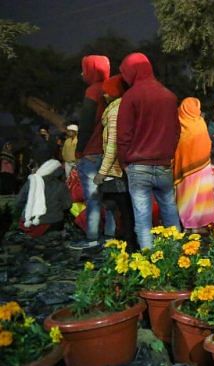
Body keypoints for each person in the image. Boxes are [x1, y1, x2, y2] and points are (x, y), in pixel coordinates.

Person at [117, 52, 181, 249]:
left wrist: (123, 163)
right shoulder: (169, 96)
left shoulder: (130, 97)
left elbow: (123, 135)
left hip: (137, 166)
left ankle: (148, 265)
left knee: (143, 221)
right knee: (170, 213)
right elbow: (177, 131)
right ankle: (177, 258)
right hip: (163, 165)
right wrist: (168, 154)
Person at [69, 55, 115, 250]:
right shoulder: (114, 89)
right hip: (111, 154)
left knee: (93, 198)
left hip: (92, 153)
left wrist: (79, 149)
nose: (82, 74)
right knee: (112, 198)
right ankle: (111, 237)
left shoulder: (93, 91)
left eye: (85, 69)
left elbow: (86, 124)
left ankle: (93, 238)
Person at [174, 97, 214, 229]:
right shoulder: (200, 123)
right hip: (203, 167)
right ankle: (201, 223)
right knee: (201, 197)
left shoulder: (178, 123)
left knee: (187, 196)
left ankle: (188, 223)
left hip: (186, 168)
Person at [93, 75, 137, 251]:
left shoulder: (115, 111)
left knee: (124, 209)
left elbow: (113, 143)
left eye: (107, 92)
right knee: (126, 208)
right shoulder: (120, 107)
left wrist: (102, 172)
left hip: (117, 169)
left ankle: (130, 245)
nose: (104, 95)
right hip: (122, 167)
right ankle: (129, 242)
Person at [17, 158, 71, 238]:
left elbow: (19, 201)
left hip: (27, 224)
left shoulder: (31, 182)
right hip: (51, 223)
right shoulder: (60, 186)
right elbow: (67, 205)